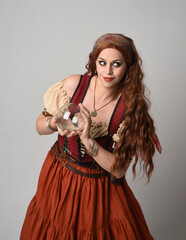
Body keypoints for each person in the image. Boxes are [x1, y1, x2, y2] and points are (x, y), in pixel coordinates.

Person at [20, 33, 162, 239]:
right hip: (58, 177)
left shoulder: (131, 109)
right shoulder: (73, 85)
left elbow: (120, 169)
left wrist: (88, 141)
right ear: (94, 61)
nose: (108, 71)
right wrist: (54, 122)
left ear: (128, 67)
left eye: (117, 64)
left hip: (97, 191)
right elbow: (39, 126)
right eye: (102, 62)